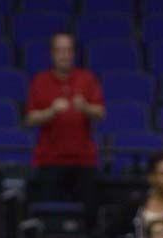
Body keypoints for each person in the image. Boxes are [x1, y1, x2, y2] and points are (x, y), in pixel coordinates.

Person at [25, 32, 105, 210]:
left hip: (84, 160)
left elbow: (100, 113)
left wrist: (85, 107)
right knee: (49, 212)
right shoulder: (40, 81)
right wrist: (50, 112)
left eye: (68, 50)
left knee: (88, 214)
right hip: (50, 160)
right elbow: (30, 119)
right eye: (60, 50)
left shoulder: (87, 79)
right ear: (52, 54)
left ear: (74, 54)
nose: (64, 55)